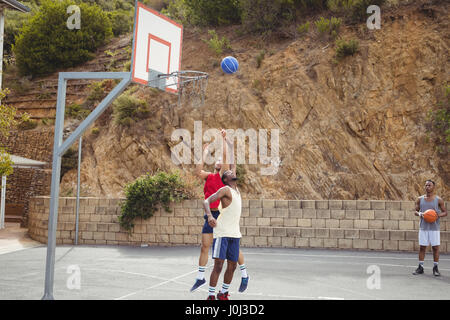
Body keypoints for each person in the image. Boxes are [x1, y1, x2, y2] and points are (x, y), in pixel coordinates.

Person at [190, 131, 249, 293]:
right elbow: (197, 170)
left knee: (232, 250)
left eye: (220, 160)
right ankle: (200, 277)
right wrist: (204, 153)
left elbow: (226, 158)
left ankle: (244, 273)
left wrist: (224, 141)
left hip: (222, 217)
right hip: (210, 216)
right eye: (215, 160)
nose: (218, 161)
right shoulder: (209, 176)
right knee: (205, 246)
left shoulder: (225, 176)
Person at [204, 168, 242, 300]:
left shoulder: (237, 191)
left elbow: (233, 164)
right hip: (222, 233)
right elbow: (206, 201)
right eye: (230, 173)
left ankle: (223, 293)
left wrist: (231, 147)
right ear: (226, 179)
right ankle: (211, 295)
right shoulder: (225, 190)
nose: (233, 173)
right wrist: (209, 216)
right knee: (219, 265)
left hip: (235, 234)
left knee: (232, 265)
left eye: (233, 172)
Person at [413, 180, 447, 276]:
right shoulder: (420, 199)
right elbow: (415, 211)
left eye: (429, 185)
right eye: (426, 185)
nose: (427, 187)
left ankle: (435, 268)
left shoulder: (438, 200)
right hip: (423, 227)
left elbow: (445, 212)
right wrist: (421, 214)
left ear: (433, 187)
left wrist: (438, 215)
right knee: (422, 247)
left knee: (435, 248)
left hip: (434, 228)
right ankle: (420, 267)